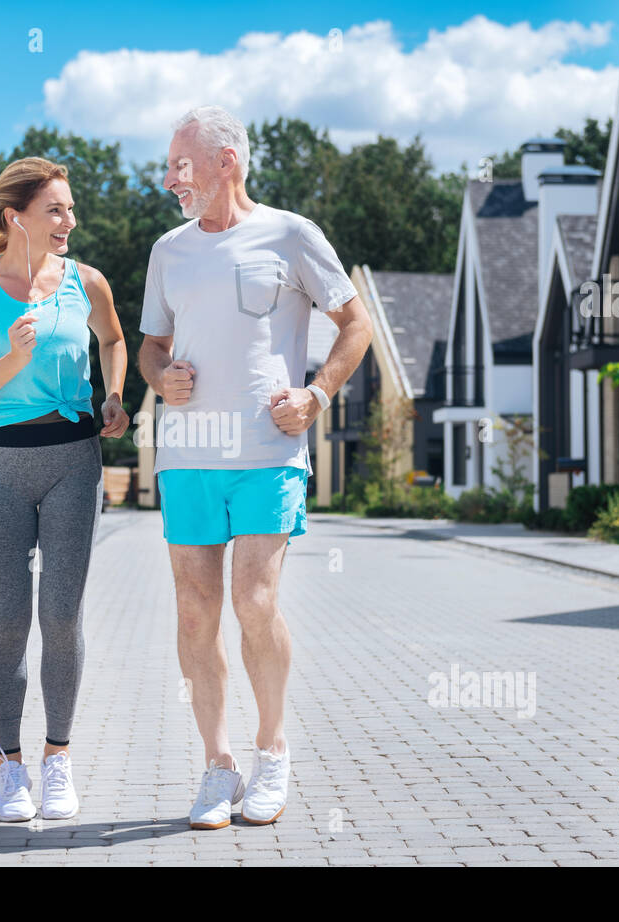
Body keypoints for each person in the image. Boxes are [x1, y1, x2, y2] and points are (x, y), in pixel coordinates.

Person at [138, 106, 373, 829]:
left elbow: (355, 323)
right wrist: (157, 377)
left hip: (269, 454)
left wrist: (317, 391)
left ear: (225, 163)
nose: (171, 177)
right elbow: (151, 346)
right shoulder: (169, 251)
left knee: (256, 604)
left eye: (182, 164)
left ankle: (273, 752)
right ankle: (218, 765)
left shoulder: (291, 234)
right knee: (193, 609)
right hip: (188, 458)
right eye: (170, 164)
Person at [0, 157, 130, 822]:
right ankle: (10, 769)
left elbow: (113, 340)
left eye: (70, 209)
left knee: (60, 615)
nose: (69, 221)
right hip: (0, 463)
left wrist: (114, 394)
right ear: (13, 217)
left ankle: (58, 759)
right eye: (56, 209)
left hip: (74, 459)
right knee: (8, 620)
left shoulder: (87, 282)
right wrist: (12, 362)